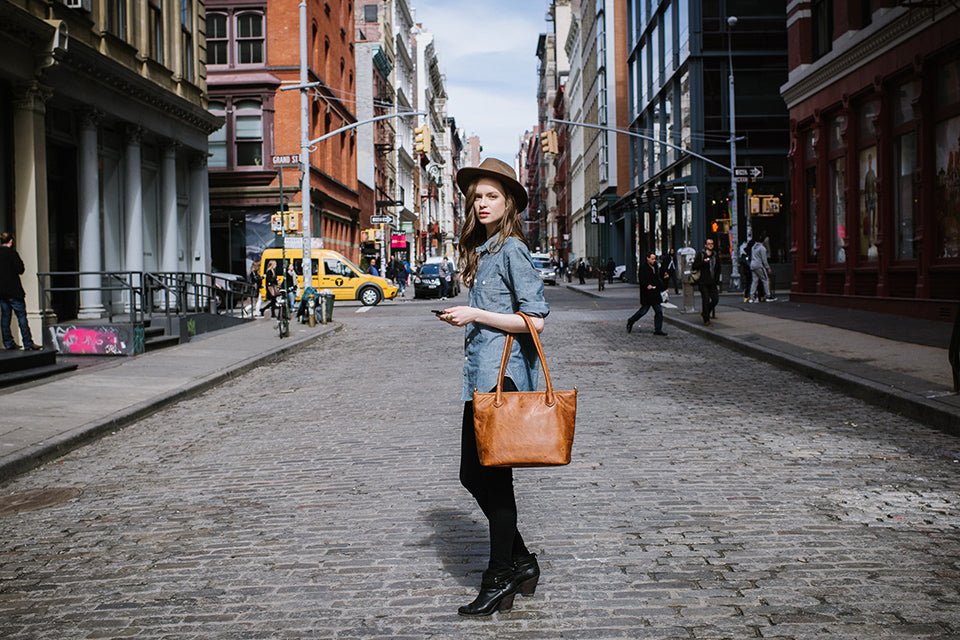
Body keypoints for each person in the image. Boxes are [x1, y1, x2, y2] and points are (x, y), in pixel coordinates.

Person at [437, 157, 548, 617]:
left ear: (509, 204)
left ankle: (500, 574)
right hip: (481, 378)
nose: (482, 204)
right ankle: (519, 562)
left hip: (501, 381)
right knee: (473, 474)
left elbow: (536, 319)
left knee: (494, 478)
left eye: (491, 196)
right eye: (477, 197)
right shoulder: (484, 250)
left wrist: (475, 314)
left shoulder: (512, 250)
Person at [0, 232, 42, 350]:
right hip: (14, 291)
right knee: (22, 317)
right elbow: (20, 269)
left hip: (2, 292)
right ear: (11, 240)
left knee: (5, 317)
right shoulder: (12, 254)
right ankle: (28, 342)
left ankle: (8, 343)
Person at [626, 251, 667, 336]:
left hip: (655, 292)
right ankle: (631, 320)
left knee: (658, 311)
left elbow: (657, 278)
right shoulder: (643, 268)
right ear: (647, 258)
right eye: (652, 259)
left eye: (654, 259)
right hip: (647, 294)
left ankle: (658, 329)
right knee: (643, 311)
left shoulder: (655, 266)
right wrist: (647, 285)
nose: (654, 260)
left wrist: (663, 288)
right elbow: (642, 280)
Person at [692, 238, 721, 327]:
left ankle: (706, 312)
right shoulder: (701, 255)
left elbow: (718, 268)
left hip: (712, 282)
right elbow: (694, 266)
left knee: (715, 299)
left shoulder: (715, 255)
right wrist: (703, 262)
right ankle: (706, 320)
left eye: (712, 244)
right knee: (705, 300)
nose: (711, 245)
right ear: (705, 245)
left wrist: (717, 280)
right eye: (709, 244)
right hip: (703, 282)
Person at [750, 234, 773, 303]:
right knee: (765, 279)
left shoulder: (753, 247)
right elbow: (764, 260)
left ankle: (752, 297)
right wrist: (767, 268)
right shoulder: (762, 248)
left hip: (752, 264)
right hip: (759, 265)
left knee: (754, 281)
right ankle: (768, 296)